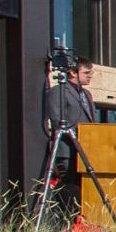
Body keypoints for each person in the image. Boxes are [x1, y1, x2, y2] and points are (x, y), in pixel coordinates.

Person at [39, 57, 97, 220]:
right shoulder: (59, 91)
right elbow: (57, 120)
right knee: (69, 184)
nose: (89, 76)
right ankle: (66, 218)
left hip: (85, 149)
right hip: (67, 149)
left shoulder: (86, 94)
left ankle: (81, 218)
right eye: (86, 73)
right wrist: (76, 134)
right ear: (72, 72)